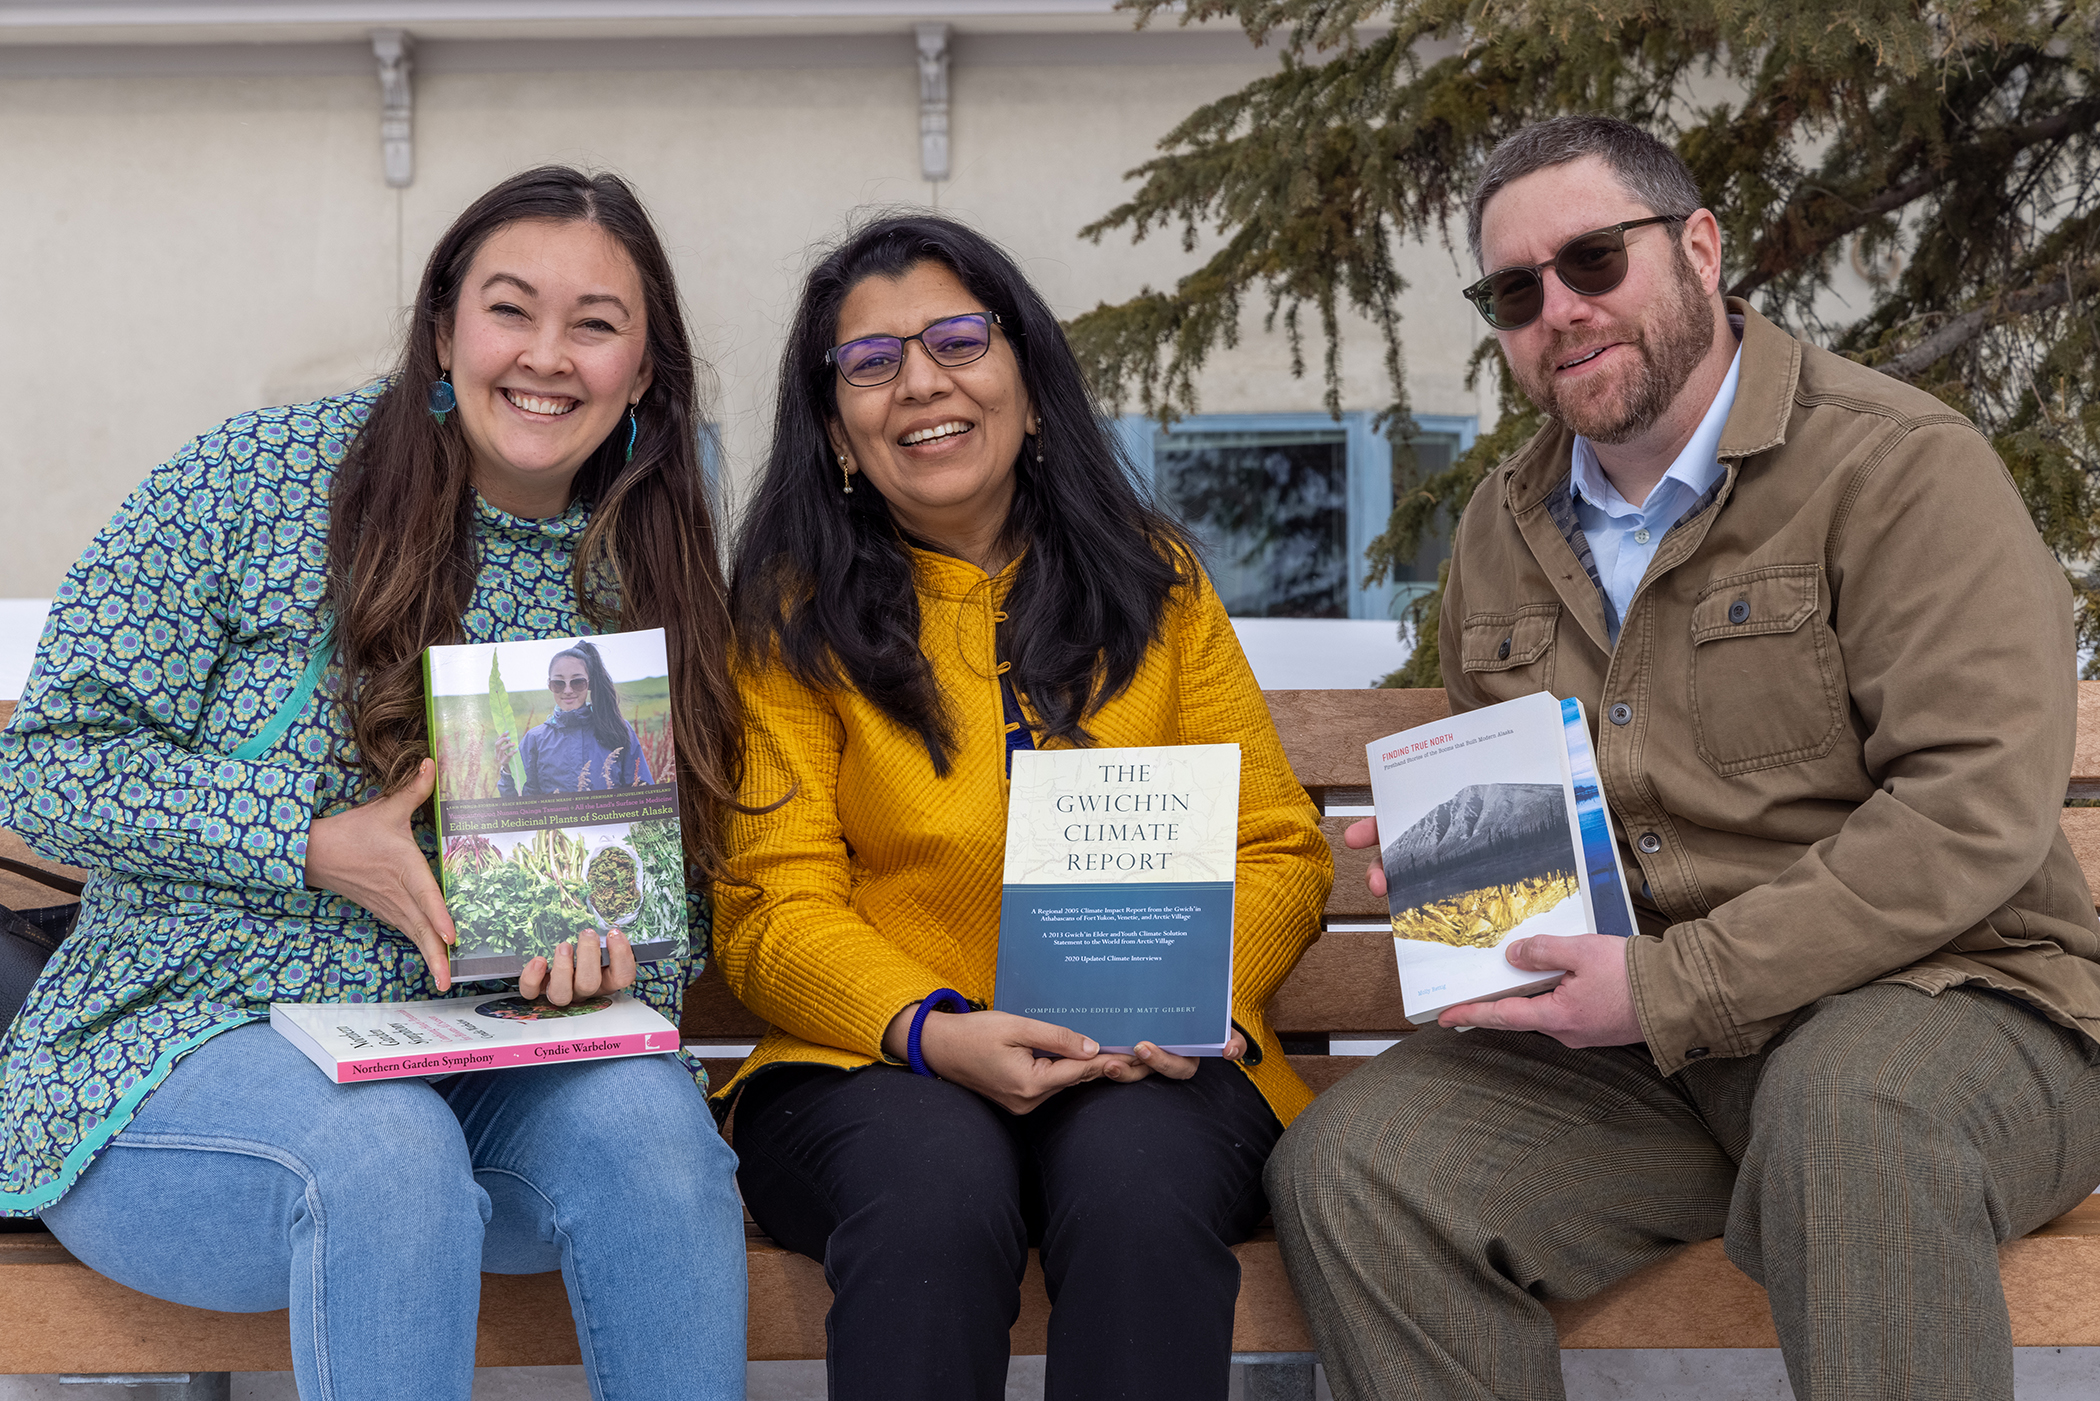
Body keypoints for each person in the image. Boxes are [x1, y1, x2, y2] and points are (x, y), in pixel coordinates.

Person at [1263, 114, 2100, 1401]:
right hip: (1659, 1075)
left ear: (1700, 249)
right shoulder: (1503, 526)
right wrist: (1459, 863)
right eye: (1515, 290)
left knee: (1853, 1117)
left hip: (1962, 1009)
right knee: (1362, 1166)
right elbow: (1538, 812)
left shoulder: (1898, 471)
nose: (1560, 309)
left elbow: (1971, 811)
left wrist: (1671, 988)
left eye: (1595, 260)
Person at [0, 167, 750, 1401]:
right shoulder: (252, 481)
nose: (547, 357)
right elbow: (48, 760)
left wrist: (611, 957)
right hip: (185, 1057)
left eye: (597, 325)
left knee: (653, 1131)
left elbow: (672, 895)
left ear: (646, 369)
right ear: (445, 325)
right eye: (511, 309)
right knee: (385, 1152)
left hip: (485, 1071)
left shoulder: (645, 567)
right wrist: (304, 840)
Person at [717, 214, 1334, 1401]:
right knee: (934, 1192)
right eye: (872, 362)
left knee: (1141, 1185)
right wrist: (933, 1030)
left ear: (1031, 384)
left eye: (958, 339)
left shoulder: (1155, 584)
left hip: (1148, 1052)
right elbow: (771, 905)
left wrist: (1195, 1000)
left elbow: (1277, 847)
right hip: (875, 1064)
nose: (922, 385)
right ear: (837, 430)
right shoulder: (789, 620)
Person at [497, 639, 655, 795]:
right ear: (549, 685)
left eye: (577, 682)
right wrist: (507, 771)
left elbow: (642, 791)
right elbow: (521, 805)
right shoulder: (534, 739)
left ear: (590, 683)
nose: (567, 690)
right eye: (558, 683)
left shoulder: (618, 728)